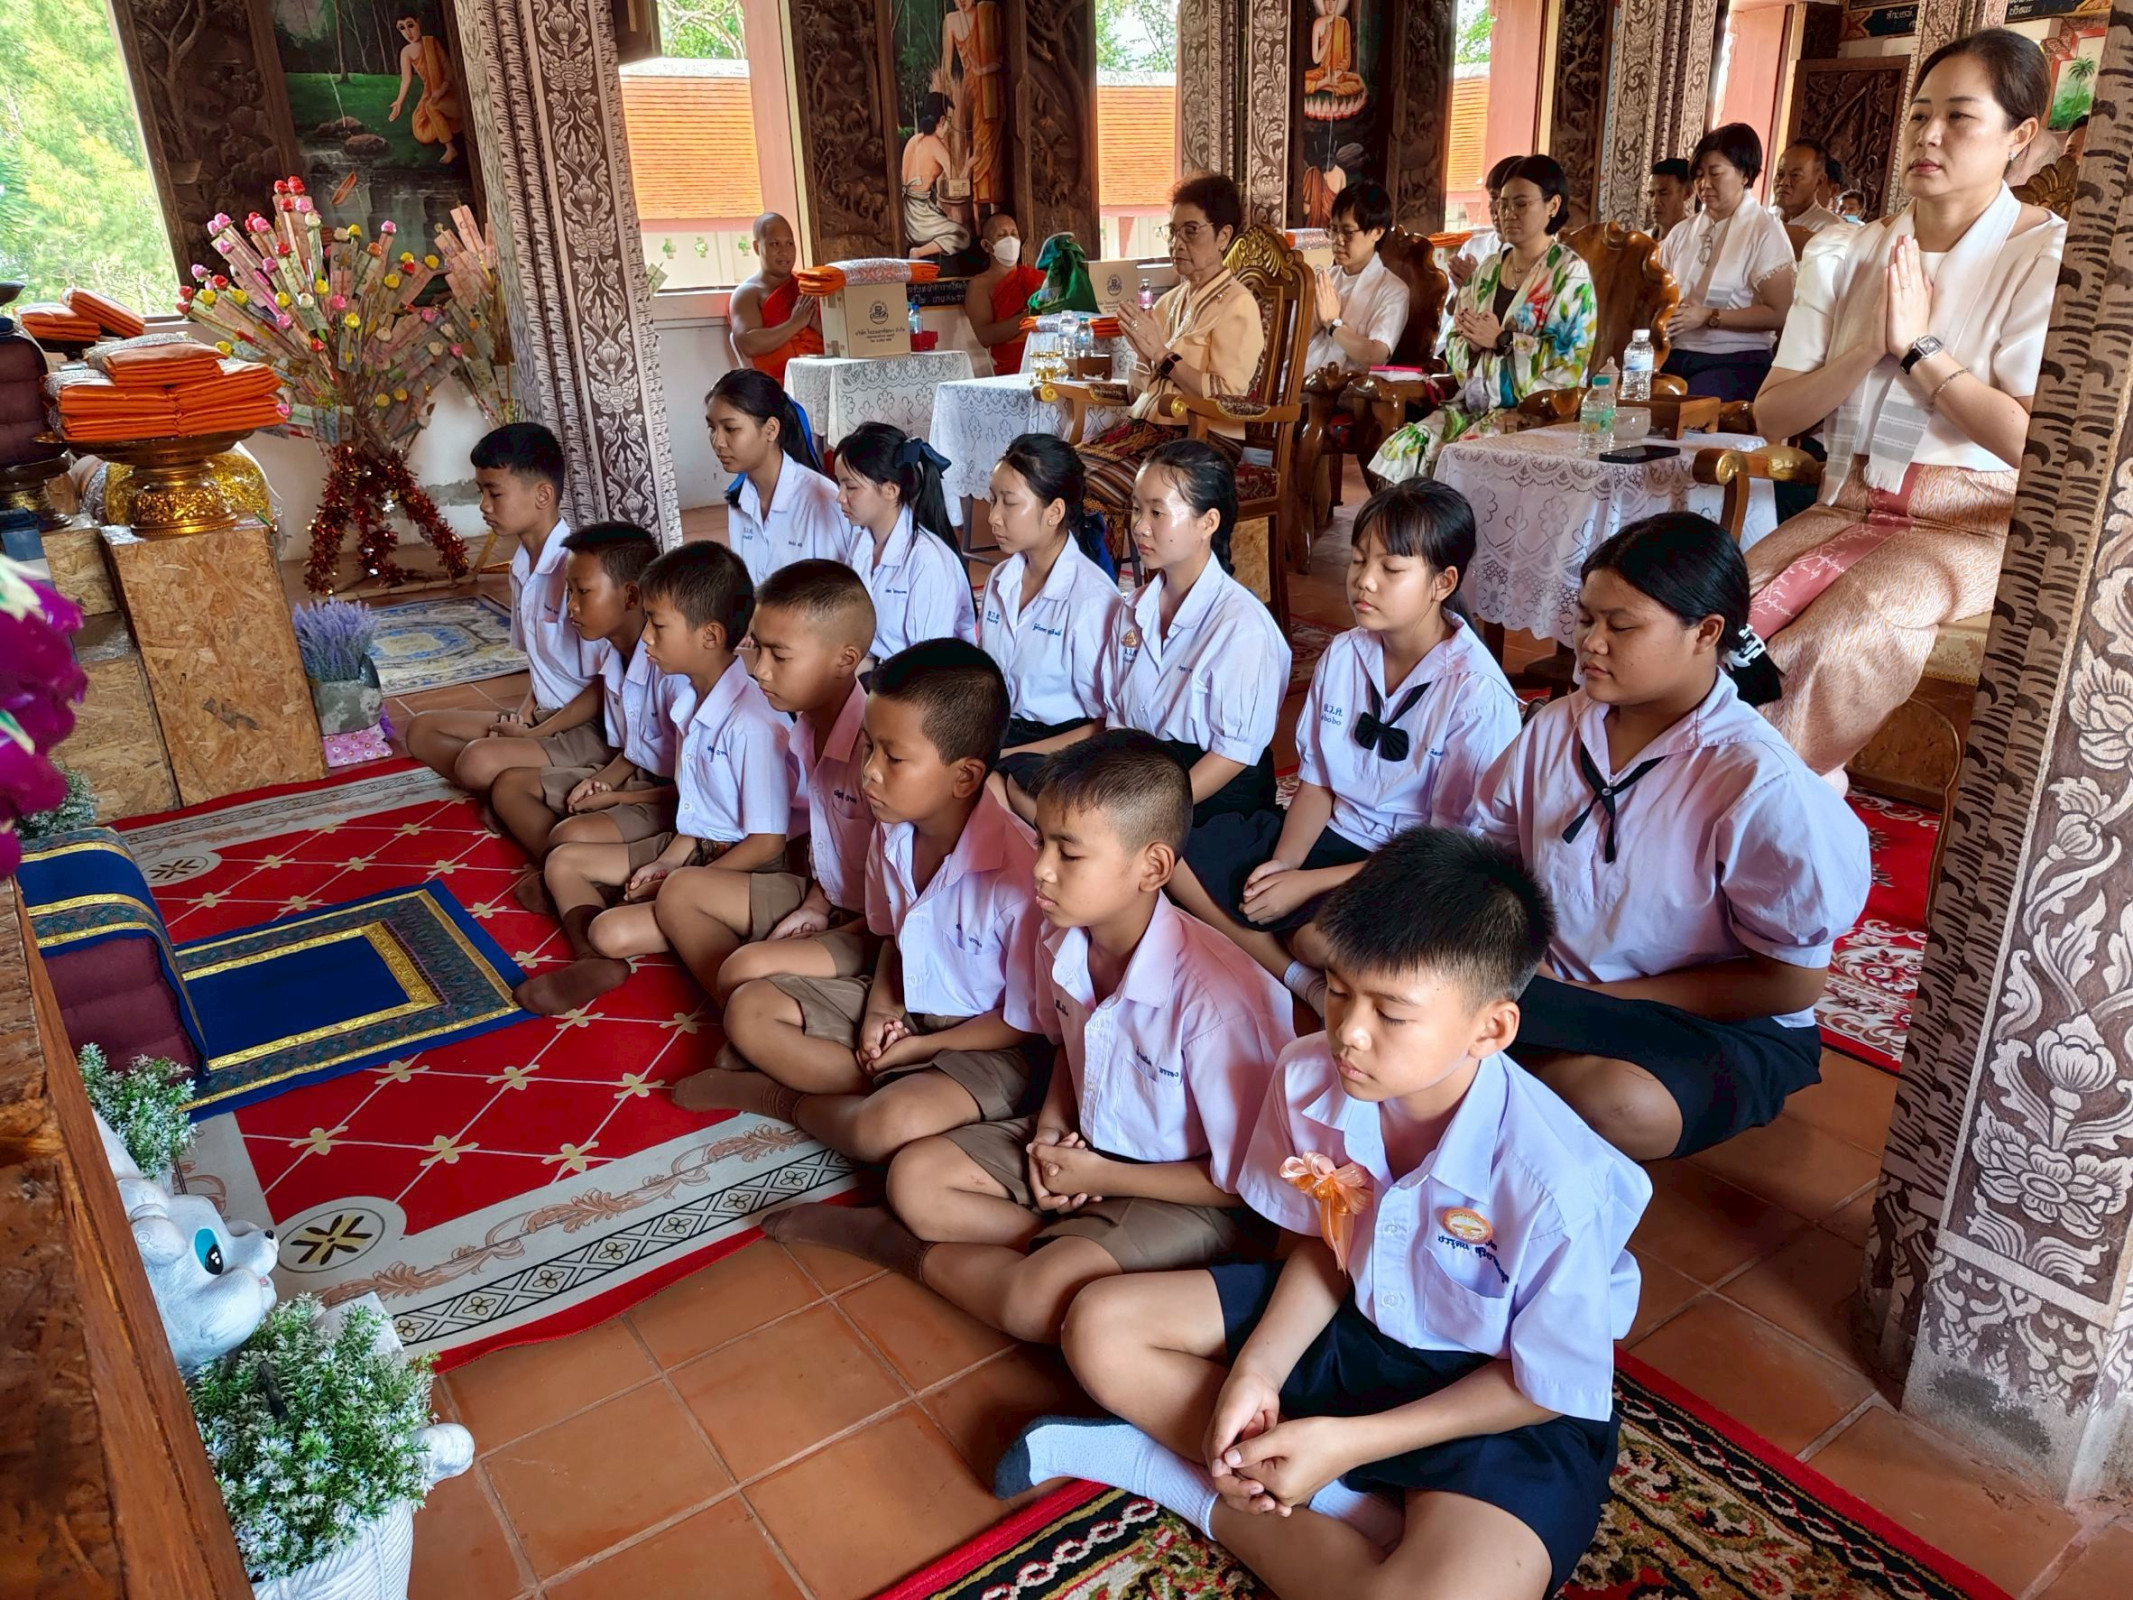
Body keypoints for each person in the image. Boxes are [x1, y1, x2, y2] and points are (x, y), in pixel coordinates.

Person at [1002, 829, 1652, 1600]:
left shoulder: (1555, 1184)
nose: (1348, 1032)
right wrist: (1256, 1371)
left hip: (1490, 1394)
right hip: (1357, 1321)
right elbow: (1320, 1243)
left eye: (1392, 1013)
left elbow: (1546, 1383)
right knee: (1099, 1326)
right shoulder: (1308, 1077)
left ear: (1491, 1028)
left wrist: (1347, 1443)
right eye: (1339, 990)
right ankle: (1333, 1500)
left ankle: (1176, 1472)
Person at [763, 731, 1296, 1341]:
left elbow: (1245, 1184)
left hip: (1181, 1191)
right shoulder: (1064, 938)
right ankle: (1067, 1246)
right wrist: (1048, 1134)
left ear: (1153, 867)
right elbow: (1076, 1051)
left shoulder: (1222, 1004)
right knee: (915, 1180)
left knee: (1039, 1302)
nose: (1039, 869)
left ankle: (900, 1248)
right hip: (1086, 1142)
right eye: (1041, 840)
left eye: (1068, 854)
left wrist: (1102, 1178)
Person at [1472, 514, 1869, 1161]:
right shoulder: (1554, 728)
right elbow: (1494, 856)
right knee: (1377, 962)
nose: (1591, 644)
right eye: (1585, 619)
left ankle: (1491, 1073)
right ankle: (1501, 1068)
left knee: (1618, 1106)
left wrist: (1594, 1001)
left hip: (1701, 1017)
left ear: (1706, 632)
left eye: (1620, 626)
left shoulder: (1755, 783)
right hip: (1554, 989)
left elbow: (1788, 985)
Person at [1744, 27, 2062, 782]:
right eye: (1920, 114)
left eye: (1959, 117)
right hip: (1844, 500)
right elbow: (1772, 417)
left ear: (2018, 136)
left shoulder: (2044, 257)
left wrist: (1920, 349)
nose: (1928, 134)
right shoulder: (1844, 251)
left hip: (1969, 524)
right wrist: (1865, 348)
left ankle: (1767, 821)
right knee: (1718, 618)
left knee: (1842, 634)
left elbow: (2027, 444)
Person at [684, 641, 1054, 1164]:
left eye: (894, 757)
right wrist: (880, 1010)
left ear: (965, 776)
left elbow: (1025, 1020)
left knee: (886, 1129)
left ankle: (780, 1096)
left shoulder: (1023, 878)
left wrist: (925, 1049)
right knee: (750, 1009)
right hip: (908, 1003)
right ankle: (871, 1078)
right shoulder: (894, 831)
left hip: (988, 1044)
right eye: (868, 748)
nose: (871, 772)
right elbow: (892, 938)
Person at [1169, 480, 1520, 1008]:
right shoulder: (1344, 654)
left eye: (1391, 569)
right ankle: (1297, 979)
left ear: (1443, 582)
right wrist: (1286, 866)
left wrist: (1310, 886)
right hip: (1335, 832)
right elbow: (1317, 784)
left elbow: (1449, 848)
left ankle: (1291, 960)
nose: (1365, 582)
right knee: (1176, 855)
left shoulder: (1476, 693)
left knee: (1318, 936)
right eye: (1358, 562)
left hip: (1414, 865)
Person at [515, 543, 793, 1017]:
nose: (645, 638)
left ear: (709, 636)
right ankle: (592, 961)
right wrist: (666, 861)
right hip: (698, 850)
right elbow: (697, 814)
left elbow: (767, 842)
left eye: (657, 625)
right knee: (563, 862)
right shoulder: (690, 703)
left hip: (749, 871)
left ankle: (628, 934)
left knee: (611, 931)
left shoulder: (751, 724)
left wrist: (681, 880)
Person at [1007, 441, 1290, 828]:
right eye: (1138, 509)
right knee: (1016, 780)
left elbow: (1233, 754)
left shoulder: (1242, 627)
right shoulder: (1133, 609)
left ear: (1208, 522)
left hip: (1208, 790)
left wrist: (1148, 813)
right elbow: (1118, 720)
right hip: (1139, 770)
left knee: (1100, 835)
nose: (1140, 526)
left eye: (1157, 512)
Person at [657, 561, 877, 1016]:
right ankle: (744, 1016)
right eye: (757, 650)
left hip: (874, 929)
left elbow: (898, 891)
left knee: (744, 969)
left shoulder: (876, 754)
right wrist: (815, 905)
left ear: (845, 660)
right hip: (824, 897)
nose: (759, 670)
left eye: (780, 655)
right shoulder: (806, 728)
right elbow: (833, 857)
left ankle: (751, 1018)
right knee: (678, 892)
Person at [1371, 155, 1596, 484]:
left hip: (1532, 414)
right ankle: (1408, 537)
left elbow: (1571, 361)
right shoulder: (1488, 270)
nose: (1508, 214)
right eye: (1503, 204)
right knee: (1402, 452)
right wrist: (1474, 346)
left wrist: (1503, 341)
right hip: (1473, 403)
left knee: (1462, 456)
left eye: (1521, 204)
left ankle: (1450, 536)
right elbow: (1457, 342)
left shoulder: (1569, 273)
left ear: (1552, 205)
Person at [1079, 174, 1264, 553]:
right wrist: (1144, 356)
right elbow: (1142, 390)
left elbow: (1229, 397)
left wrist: (1163, 356)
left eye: (1191, 231)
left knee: (1085, 490)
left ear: (1224, 236)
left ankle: (1102, 598)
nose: (1177, 244)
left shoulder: (1237, 304)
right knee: (1051, 476)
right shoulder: (1170, 302)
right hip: (1147, 431)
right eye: (1173, 232)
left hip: (1201, 442)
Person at [488, 523, 677, 894]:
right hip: (635, 776)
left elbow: (687, 789)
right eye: (570, 591)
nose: (571, 605)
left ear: (631, 596)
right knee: (509, 786)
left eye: (583, 592)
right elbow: (633, 752)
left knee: (568, 832)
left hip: (665, 802)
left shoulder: (670, 670)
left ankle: (580, 873)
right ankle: (573, 872)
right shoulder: (615, 653)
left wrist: (617, 795)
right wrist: (603, 779)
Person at [406, 423, 589, 795]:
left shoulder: (579, 571)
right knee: (422, 731)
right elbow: (543, 670)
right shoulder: (521, 566)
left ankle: (539, 782)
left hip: (583, 726)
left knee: (477, 761)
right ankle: (524, 786)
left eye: (494, 492)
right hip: (541, 716)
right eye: (481, 492)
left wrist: (536, 733)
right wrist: (522, 718)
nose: (484, 506)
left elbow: (605, 685)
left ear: (542, 495)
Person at [979, 435, 1125, 790]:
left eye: (1009, 503)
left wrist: (1010, 756)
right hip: (1004, 729)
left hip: (1065, 747)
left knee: (984, 788)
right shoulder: (1002, 578)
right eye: (993, 499)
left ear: (1055, 512)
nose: (994, 517)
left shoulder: (1092, 601)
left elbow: (1105, 722)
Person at [1658, 124, 1797, 403]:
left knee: (1681, 408)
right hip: (1674, 354)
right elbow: (1657, 290)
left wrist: (1709, 316)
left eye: (1715, 173)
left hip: (1736, 360)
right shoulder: (1682, 231)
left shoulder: (1764, 230)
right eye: (1698, 175)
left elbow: (1780, 312)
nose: (1703, 184)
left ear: (1744, 174)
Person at [832, 422, 977, 660]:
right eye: (839, 484)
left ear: (890, 490)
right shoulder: (862, 542)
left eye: (851, 487)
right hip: (873, 670)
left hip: (915, 685)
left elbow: (927, 665)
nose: (840, 497)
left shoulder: (928, 562)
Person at [706, 367, 845, 589]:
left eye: (730, 428)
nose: (717, 441)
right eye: (712, 428)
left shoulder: (824, 501)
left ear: (770, 430)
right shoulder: (739, 500)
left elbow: (842, 595)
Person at [1306, 180, 1410, 375]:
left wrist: (1332, 323)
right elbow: (1286, 348)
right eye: (1334, 229)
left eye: (1347, 232)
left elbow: (1375, 355)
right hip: (1299, 378)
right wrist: (1313, 321)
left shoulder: (1393, 290)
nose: (1338, 240)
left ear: (1377, 232)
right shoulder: (1326, 279)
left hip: (1345, 392)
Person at [729, 214, 824, 386]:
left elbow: (838, 338)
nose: (784, 251)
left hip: (822, 377)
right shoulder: (748, 293)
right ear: (757, 247)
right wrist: (795, 323)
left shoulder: (806, 286)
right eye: (775, 244)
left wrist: (819, 327)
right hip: (779, 387)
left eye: (789, 243)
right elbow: (748, 344)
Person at [964, 212, 1046, 374]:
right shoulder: (979, 285)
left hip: (1047, 360)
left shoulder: (1037, 277)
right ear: (986, 246)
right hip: (1012, 369)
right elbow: (985, 336)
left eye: (1013, 234)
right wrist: (1028, 317)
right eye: (1001, 235)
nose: (1010, 239)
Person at [903, 91, 972, 260]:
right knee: (963, 236)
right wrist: (970, 164)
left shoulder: (914, 140)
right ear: (942, 121)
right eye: (949, 121)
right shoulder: (937, 145)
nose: (949, 128)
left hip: (905, 212)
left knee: (942, 217)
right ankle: (917, 253)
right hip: (917, 216)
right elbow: (957, 187)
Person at [389, 12, 462, 165]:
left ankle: (450, 148)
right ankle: (448, 126)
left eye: (410, 25)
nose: (408, 32)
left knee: (431, 106)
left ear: (418, 23)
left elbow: (449, 72)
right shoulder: (406, 52)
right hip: (430, 92)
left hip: (449, 93)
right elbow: (406, 80)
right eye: (402, 28)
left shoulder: (431, 43)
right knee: (421, 131)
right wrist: (399, 102)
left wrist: (440, 92)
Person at [1447, 156, 1521, 290]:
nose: (1498, 209)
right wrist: (1464, 289)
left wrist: (1478, 283)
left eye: (1507, 201)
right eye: (1493, 197)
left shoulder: (1534, 257)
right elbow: (1448, 307)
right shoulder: (1473, 247)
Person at [1773, 139, 1847, 234]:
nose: (1783, 182)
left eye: (1795, 175)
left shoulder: (1831, 228)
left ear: (1819, 181)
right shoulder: (1765, 219)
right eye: (1780, 173)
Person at [1647, 158, 1695, 239]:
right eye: (1651, 194)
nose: (1655, 203)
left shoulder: (1696, 242)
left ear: (1687, 193)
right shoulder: (1642, 242)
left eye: (1663, 193)